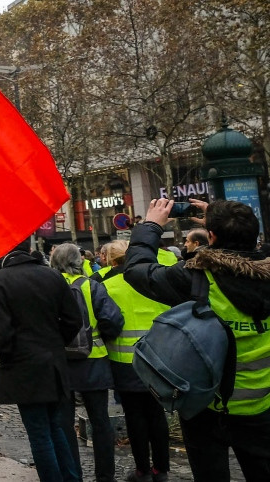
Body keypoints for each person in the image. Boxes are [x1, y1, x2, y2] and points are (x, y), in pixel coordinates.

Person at [124, 198, 270, 481]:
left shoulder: (197, 277)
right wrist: (227, 220)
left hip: (206, 403)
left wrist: (151, 226)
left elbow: (138, 271)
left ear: (211, 236)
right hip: (262, 404)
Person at [0, 243, 82, 482]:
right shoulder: (52, 275)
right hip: (54, 364)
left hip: (23, 367)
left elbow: (2, 333)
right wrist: (55, 344)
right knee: (55, 427)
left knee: (39, 434)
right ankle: (71, 478)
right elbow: (73, 319)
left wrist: (8, 357)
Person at [49, 243, 122, 482]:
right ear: (79, 262)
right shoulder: (91, 286)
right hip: (94, 361)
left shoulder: (48, 287)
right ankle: (105, 475)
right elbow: (112, 320)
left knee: (64, 424)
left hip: (60, 364)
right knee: (100, 422)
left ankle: (73, 475)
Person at [100, 240, 171, 482]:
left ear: (112, 260)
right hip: (159, 359)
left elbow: (106, 323)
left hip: (125, 362)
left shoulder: (108, 285)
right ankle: (161, 469)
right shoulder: (157, 280)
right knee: (157, 414)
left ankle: (142, 470)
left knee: (135, 417)